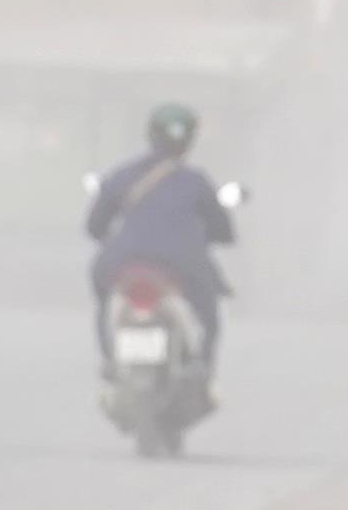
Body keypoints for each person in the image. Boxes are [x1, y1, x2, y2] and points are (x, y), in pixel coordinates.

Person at [80, 101, 241, 368]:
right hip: (182, 264)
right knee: (208, 315)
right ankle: (202, 367)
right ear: (190, 140)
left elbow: (94, 227)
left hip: (121, 262)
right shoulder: (196, 181)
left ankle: (109, 360)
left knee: (104, 299)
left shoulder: (122, 176)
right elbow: (223, 231)